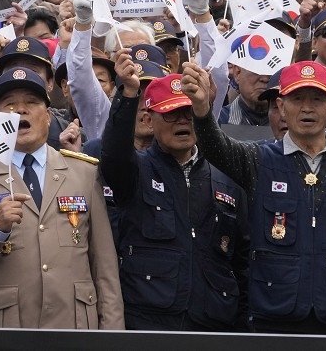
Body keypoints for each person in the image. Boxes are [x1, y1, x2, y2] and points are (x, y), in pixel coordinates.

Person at [186, 60, 326, 334]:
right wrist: (202, 110)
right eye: (297, 98)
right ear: (280, 106)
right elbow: (214, 148)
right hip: (274, 320)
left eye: (317, 99)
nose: (307, 107)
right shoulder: (258, 159)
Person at [0, 67, 124, 329]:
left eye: (31, 103)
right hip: (10, 330)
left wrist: (112, 335)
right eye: (10, 104)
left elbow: (105, 266)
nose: (21, 111)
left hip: (75, 328)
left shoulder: (84, 172)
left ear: (47, 114)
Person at [101, 55, 249, 331]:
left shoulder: (227, 179)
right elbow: (113, 156)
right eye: (171, 112)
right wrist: (129, 93)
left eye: (189, 111)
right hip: (149, 325)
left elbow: (242, 262)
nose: (183, 120)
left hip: (214, 326)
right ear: (149, 119)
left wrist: (242, 327)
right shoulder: (134, 171)